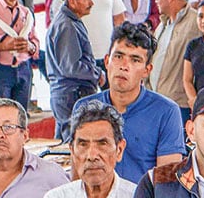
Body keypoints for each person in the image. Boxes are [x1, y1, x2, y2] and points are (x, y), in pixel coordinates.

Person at [76, 22, 186, 180]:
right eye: (118, 57)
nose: (124, 66)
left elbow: (167, 182)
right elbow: (77, 177)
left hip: (144, 196)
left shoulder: (166, 112)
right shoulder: (84, 108)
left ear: (147, 70)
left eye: (135, 60)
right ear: (106, 61)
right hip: (95, 195)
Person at [46, 0, 104, 140]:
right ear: (72, 1)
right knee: (73, 144)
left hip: (67, 95)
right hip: (71, 95)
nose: (91, 3)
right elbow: (71, 67)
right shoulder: (67, 25)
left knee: (63, 145)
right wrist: (97, 74)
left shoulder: (69, 22)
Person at [149, 0, 202, 118]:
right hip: (156, 99)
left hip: (180, 103)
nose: (156, 1)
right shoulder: (162, 24)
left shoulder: (197, 21)